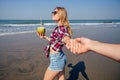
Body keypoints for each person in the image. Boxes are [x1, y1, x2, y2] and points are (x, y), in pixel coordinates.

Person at [37, 7, 72, 80]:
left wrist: (69, 42)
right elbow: (54, 41)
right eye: (53, 12)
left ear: (61, 15)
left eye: (55, 12)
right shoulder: (59, 27)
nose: (52, 14)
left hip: (57, 59)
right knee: (61, 78)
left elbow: (65, 36)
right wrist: (45, 37)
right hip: (59, 57)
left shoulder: (61, 28)